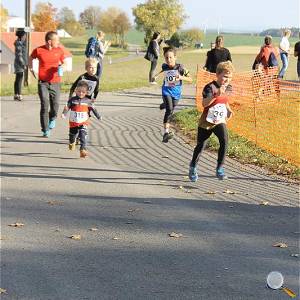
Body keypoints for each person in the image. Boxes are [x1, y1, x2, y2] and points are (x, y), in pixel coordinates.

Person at [189, 61, 234, 182]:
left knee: (224, 140)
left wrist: (229, 110)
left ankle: (220, 168)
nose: (227, 79)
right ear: (217, 75)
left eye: (229, 77)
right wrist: (215, 95)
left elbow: (224, 100)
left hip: (219, 120)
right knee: (201, 146)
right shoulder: (210, 87)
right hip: (206, 121)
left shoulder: (229, 88)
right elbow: (204, 104)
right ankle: (193, 166)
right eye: (225, 76)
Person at [29, 31, 65, 137]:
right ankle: (45, 129)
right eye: (57, 40)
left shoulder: (59, 50)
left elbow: (65, 62)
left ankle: (52, 118)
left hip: (56, 82)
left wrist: (62, 67)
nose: (58, 42)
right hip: (43, 83)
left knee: (56, 104)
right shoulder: (39, 50)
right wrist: (31, 68)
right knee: (45, 104)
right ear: (50, 41)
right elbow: (31, 57)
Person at [154, 46, 192, 143]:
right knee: (169, 110)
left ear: (175, 57)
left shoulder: (181, 68)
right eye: (166, 58)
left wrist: (181, 77)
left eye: (170, 57)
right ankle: (166, 133)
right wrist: (156, 76)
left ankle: (164, 104)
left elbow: (190, 79)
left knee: (171, 107)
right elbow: (163, 70)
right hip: (166, 91)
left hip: (176, 93)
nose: (168, 59)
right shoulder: (164, 66)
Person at [61, 80, 101, 158]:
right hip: (73, 122)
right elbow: (67, 107)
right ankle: (72, 142)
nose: (81, 93)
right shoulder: (72, 100)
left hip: (83, 121)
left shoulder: (88, 101)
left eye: (83, 92)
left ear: (86, 93)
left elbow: (93, 109)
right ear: (76, 90)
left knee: (83, 135)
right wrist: (64, 114)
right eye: (79, 91)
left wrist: (98, 116)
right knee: (72, 135)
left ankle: (83, 150)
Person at [13, 29, 27, 101]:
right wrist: (23, 64)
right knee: (19, 79)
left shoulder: (20, 43)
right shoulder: (19, 43)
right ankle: (19, 94)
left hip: (18, 63)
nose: (25, 37)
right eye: (24, 35)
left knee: (17, 79)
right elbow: (19, 55)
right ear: (21, 36)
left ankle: (16, 94)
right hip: (19, 63)